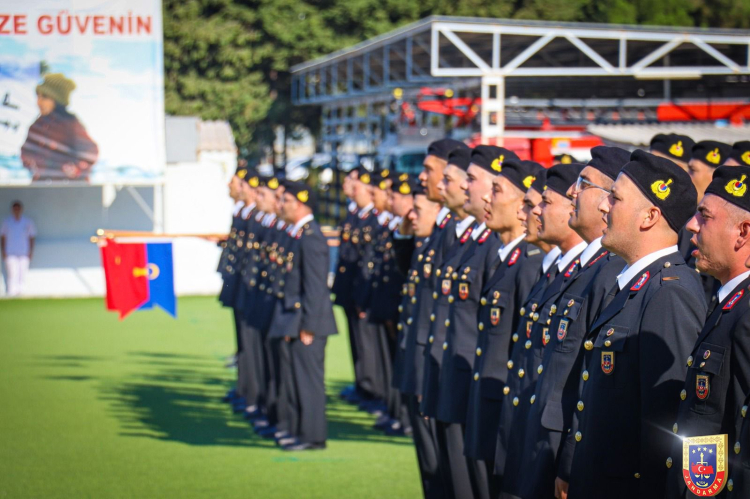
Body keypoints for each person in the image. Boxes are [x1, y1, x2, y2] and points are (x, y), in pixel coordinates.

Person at [566, 150, 706, 499]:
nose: (604, 207)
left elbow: (667, 429)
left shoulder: (668, 293)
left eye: (615, 198)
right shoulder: (635, 285)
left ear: (649, 216)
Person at [507, 146, 630, 499]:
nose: (574, 192)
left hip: (563, 447)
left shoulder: (609, 273)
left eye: (583, 184)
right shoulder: (582, 270)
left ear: (608, 201)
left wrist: (570, 461)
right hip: (542, 436)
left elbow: (587, 382)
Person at [498, 162, 587, 497]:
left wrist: (567, 461)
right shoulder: (558, 271)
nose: (531, 211)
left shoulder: (591, 274)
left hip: (552, 443)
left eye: (544, 202)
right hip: (529, 428)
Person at [664, 166, 750, 498]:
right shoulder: (727, 304)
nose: (691, 225)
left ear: (742, 232)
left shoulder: (744, 314)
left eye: (705, 216)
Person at [463, 157, 544, 498]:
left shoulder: (529, 265)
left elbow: (525, 350)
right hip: (489, 399)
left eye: (496, 190)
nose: (485, 198)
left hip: (506, 408)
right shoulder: (506, 258)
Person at [268, 180, 338, 451]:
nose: (280, 205)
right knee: (297, 378)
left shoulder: (311, 236)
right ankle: (299, 431)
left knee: (308, 381)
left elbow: (315, 286)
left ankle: (313, 436)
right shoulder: (300, 234)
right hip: (297, 320)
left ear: (298, 203)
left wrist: (308, 325)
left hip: (309, 323)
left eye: (285, 200)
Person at [21, 73, 99, 181]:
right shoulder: (36, 126)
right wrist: (32, 163)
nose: (39, 102)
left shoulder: (70, 124)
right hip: (42, 187)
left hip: (69, 188)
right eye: (38, 97)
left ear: (57, 100)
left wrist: (75, 169)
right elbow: (26, 151)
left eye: (44, 97)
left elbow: (91, 151)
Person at [1, 201, 36, 297]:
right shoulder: (7, 222)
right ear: (12, 210)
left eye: (18, 208)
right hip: (10, 252)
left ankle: (21, 293)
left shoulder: (27, 222)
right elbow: (3, 237)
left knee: (22, 274)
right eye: (15, 208)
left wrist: (31, 251)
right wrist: (3, 251)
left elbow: (31, 237)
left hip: (24, 252)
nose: (16, 210)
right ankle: (11, 293)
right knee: (12, 273)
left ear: (21, 209)